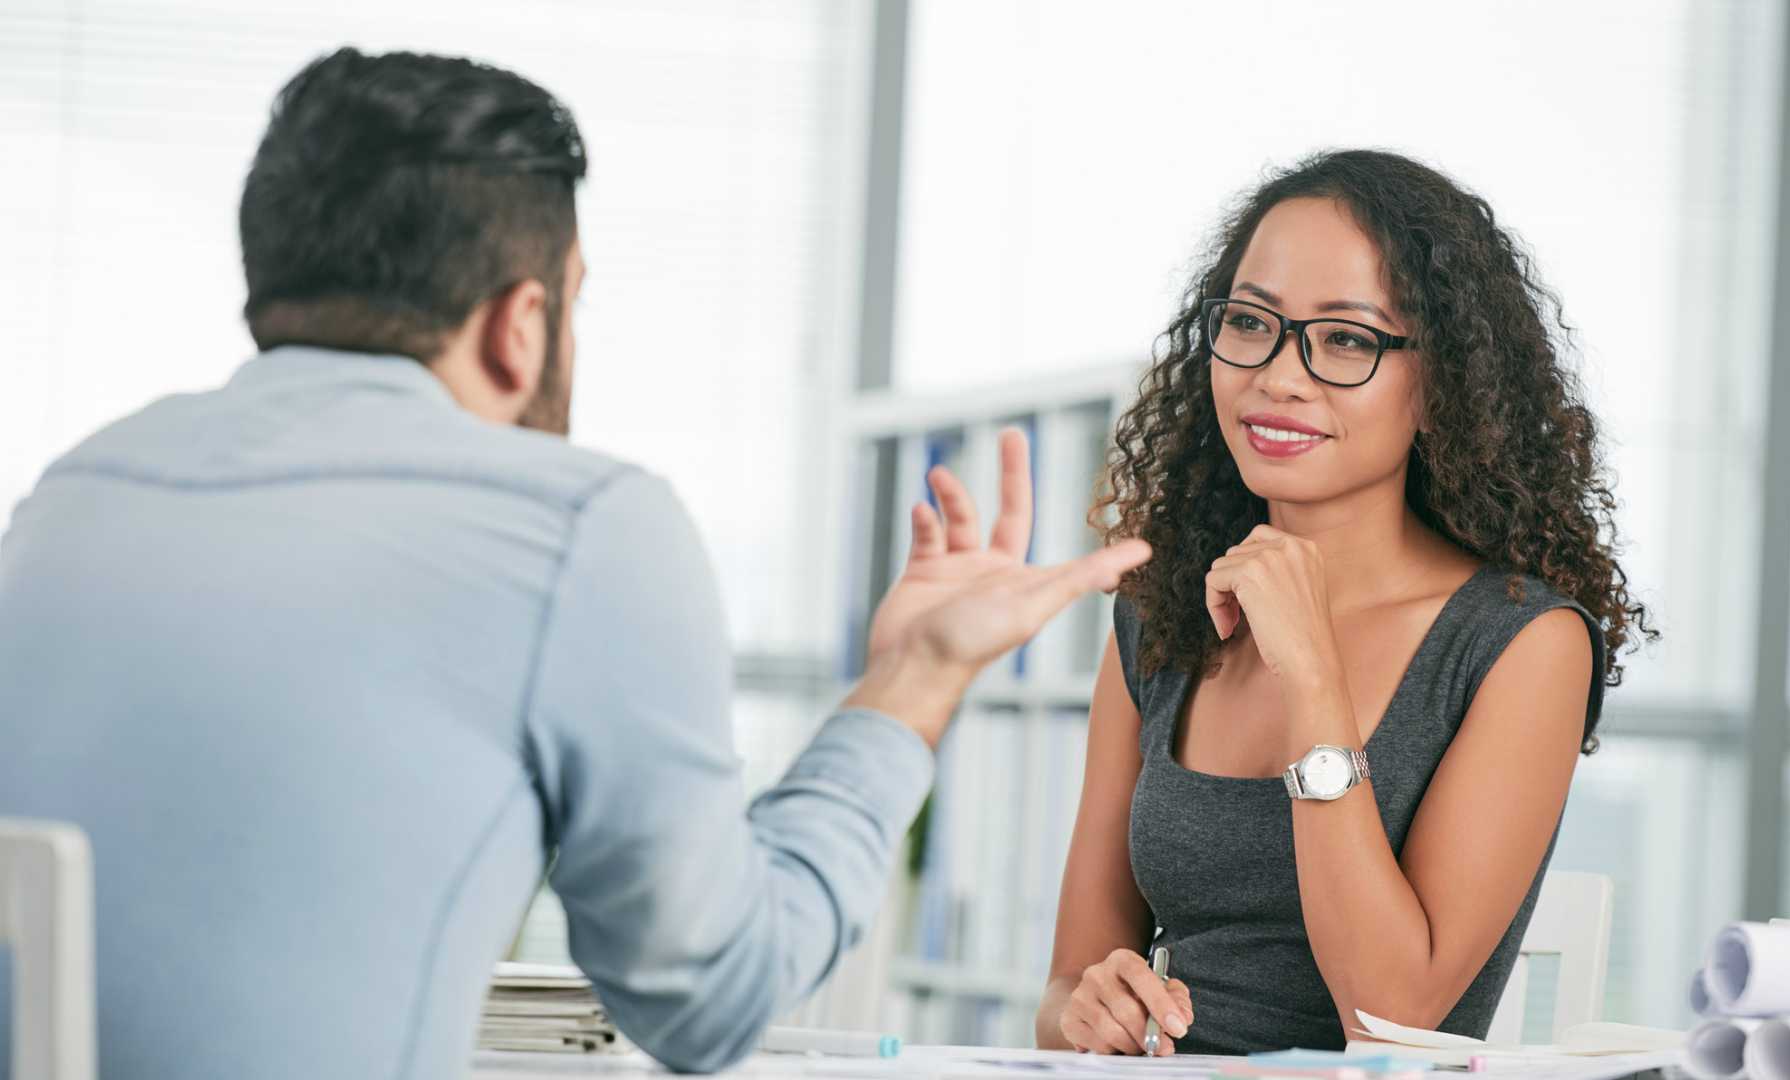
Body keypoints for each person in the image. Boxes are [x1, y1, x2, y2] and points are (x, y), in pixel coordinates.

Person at [0, 48, 1147, 1080]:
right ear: (522, 322)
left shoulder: (72, 494)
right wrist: (920, 677)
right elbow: (712, 1004)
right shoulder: (577, 522)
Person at [1034, 150, 1656, 1056]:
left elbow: (1391, 1019)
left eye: (1347, 339)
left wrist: (1312, 674)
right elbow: (1061, 996)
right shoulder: (1158, 611)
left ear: (1442, 386)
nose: (1279, 377)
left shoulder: (1520, 643)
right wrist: (1087, 1010)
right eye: (1251, 323)